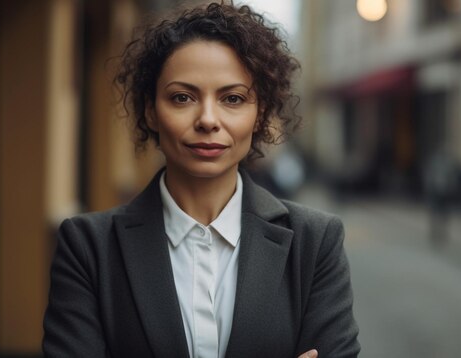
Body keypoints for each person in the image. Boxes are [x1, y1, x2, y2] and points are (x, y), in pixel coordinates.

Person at [43, 2, 360, 357]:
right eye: (182, 97)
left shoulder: (314, 243)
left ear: (260, 115)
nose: (208, 119)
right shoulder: (88, 248)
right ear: (150, 111)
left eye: (233, 98)